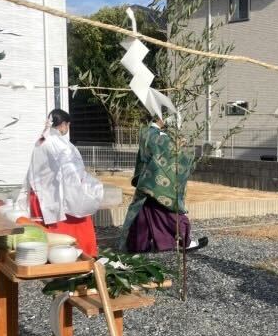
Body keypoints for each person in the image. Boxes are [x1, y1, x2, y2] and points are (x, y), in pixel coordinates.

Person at [15, 109, 104, 257]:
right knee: (76, 224)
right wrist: (82, 187)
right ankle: (82, 253)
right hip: (58, 194)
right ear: (63, 124)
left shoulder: (41, 141)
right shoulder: (61, 144)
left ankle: (44, 256)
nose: (67, 129)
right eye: (67, 125)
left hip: (39, 194)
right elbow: (71, 171)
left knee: (44, 233)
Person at [119, 117, 208, 253]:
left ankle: (138, 245)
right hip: (158, 185)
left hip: (148, 180)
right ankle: (185, 242)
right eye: (165, 117)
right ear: (159, 117)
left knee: (144, 212)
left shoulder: (146, 133)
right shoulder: (157, 135)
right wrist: (179, 146)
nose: (168, 120)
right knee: (170, 214)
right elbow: (167, 155)